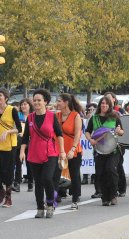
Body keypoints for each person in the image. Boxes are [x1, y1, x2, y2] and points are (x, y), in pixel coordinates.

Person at [19, 89, 67, 219]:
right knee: (38, 182)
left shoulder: (52, 116)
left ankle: (50, 204)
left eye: (39, 100)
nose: (36, 102)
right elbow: (25, 138)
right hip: (34, 153)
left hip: (50, 152)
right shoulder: (30, 117)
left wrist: (62, 151)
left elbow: (59, 134)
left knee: (47, 178)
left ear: (45, 102)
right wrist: (22, 152)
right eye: (34, 100)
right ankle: (40, 207)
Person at [85, 96, 124, 206]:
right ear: (99, 105)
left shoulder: (115, 117)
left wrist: (118, 131)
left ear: (110, 105)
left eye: (106, 104)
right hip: (99, 150)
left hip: (113, 150)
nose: (104, 105)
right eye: (102, 103)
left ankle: (113, 195)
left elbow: (122, 132)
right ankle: (105, 197)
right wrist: (90, 139)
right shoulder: (94, 118)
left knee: (111, 170)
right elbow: (87, 131)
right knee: (100, 173)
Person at [0, 88, 22, 207]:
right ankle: (1, 190)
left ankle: (9, 197)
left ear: (6, 98)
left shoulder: (12, 110)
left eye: (0, 96)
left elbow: (19, 129)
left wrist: (8, 132)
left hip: (10, 146)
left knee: (8, 173)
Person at [53, 94, 84, 210]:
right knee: (55, 175)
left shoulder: (75, 116)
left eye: (59, 101)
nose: (57, 103)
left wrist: (73, 149)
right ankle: (53, 198)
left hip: (73, 150)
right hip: (59, 150)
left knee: (74, 175)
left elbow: (77, 135)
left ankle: (75, 199)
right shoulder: (56, 116)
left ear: (66, 103)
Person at [17, 98, 35, 192]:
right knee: (18, 161)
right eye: (22, 104)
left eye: (25, 104)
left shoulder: (33, 116)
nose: (23, 106)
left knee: (29, 163)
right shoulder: (18, 115)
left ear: (29, 105)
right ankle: (17, 182)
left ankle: (30, 182)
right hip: (19, 140)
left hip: (31, 141)